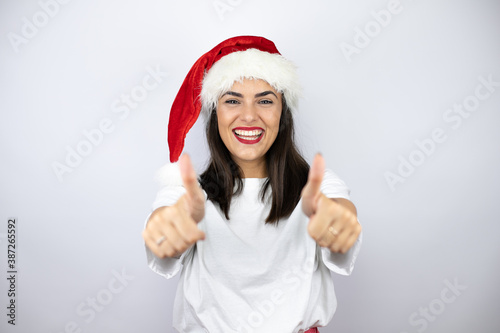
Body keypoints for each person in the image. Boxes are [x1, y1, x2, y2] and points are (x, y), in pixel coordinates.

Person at [142, 36, 362, 333]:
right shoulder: (189, 192)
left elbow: (339, 212)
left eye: (265, 100)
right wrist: (167, 228)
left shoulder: (317, 185)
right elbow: (162, 229)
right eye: (232, 100)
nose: (248, 116)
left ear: (282, 112)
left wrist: (337, 225)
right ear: (215, 113)